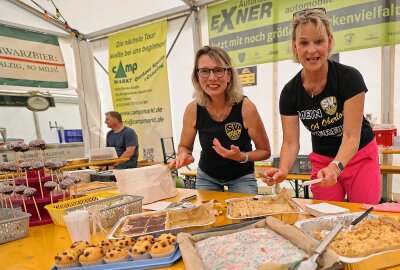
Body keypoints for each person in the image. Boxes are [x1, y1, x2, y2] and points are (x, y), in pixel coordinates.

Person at [263, 8, 380, 204]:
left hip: (359, 156)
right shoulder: (289, 92)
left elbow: (351, 137)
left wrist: (336, 166)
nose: (311, 50)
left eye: (319, 41)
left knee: (364, 214)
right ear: (295, 46)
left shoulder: (349, 78)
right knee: (324, 217)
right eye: (303, 43)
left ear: (330, 42)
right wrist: (283, 169)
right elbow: (291, 143)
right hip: (322, 160)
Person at [169, 46, 271, 194]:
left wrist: (241, 156)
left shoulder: (246, 107)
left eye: (218, 70)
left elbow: (265, 151)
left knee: (245, 217)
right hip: (207, 177)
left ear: (229, 75)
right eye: (204, 71)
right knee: (208, 216)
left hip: (241, 177)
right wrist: (184, 155)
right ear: (197, 76)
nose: (211, 78)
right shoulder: (193, 109)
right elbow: (184, 146)